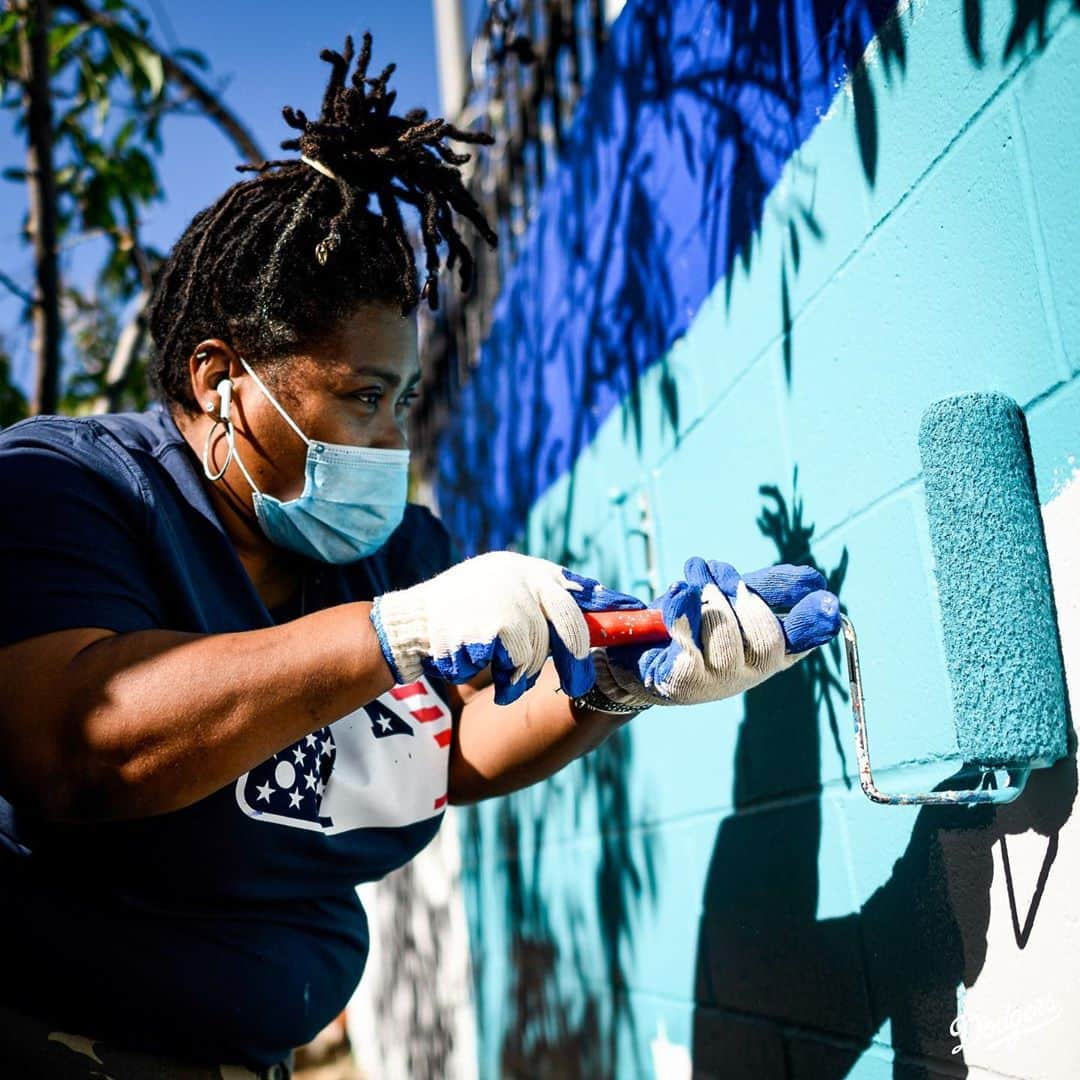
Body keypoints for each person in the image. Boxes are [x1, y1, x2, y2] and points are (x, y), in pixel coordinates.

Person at [0, 31, 841, 1079]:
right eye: (360, 396)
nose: (391, 443)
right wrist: (395, 634)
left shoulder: (393, 556)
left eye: (402, 401)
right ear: (221, 379)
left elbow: (446, 750)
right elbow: (77, 746)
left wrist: (625, 679)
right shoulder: (66, 489)